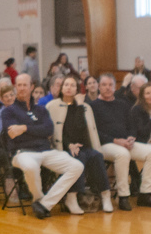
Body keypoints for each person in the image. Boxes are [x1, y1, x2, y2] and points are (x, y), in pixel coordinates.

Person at [1, 74, 83, 219]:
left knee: (77, 166)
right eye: (18, 85)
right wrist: (35, 130)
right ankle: (39, 200)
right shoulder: (8, 111)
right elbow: (13, 133)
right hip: (22, 153)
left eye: (24, 85)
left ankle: (45, 204)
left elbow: (48, 130)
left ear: (31, 87)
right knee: (31, 167)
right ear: (15, 87)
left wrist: (25, 128)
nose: (21, 88)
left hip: (46, 151)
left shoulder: (41, 110)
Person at [91, 74, 151, 211]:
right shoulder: (93, 106)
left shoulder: (122, 104)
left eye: (110, 85)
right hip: (104, 144)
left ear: (115, 87)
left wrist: (131, 137)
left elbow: (131, 126)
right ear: (99, 87)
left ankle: (145, 193)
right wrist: (116, 141)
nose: (108, 88)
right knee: (122, 154)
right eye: (104, 85)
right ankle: (123, 196)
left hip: (125, 142)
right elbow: (94, 132)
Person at [45, 76, 111, 213]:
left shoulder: (85, 107)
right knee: (78, 157)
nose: (69, 88)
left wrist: (80, 106)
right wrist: (69, 144)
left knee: (96, 156)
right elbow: (55, 132)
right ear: (62, 88)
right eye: (66, 85)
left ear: (77, 89)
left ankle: (106, 196)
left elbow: (80, 127)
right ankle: (71, 198)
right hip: (63, 147)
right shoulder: (53, 106)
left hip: (84, 145)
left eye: (73, 85)